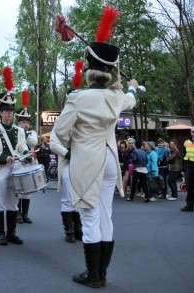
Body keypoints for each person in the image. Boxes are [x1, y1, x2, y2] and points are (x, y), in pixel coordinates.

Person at [53, 10, 140, 285]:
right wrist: (135, 87)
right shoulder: (117, 98)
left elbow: (60, 133)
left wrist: (70, 148)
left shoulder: (77, 98)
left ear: (89, 71)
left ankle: (93, 276)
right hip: (110, 162)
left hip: (87, 163)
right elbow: (131, 99)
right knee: (106, 217)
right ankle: (101, 273)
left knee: (90, 218)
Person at [0, 66, 29, 246]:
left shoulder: (19, 131)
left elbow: (21, 146)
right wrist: (4, 157)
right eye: (6, 110)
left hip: (14, 170)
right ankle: (0, 233)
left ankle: (11, 233)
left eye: (11, 110)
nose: (9, 113)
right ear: (0, 112)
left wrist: (26, 153)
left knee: (12, 202)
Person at [50, 129, 82, 243]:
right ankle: (69, 231)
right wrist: (67, 153)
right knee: (68, 199)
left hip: (82, 164)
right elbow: (53, 144)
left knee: (80, 198)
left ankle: (78, 230)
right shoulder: (61, 122)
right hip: (67, 163)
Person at [15, 89, 38, 224]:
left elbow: (33, 142)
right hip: (18, 163)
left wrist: (26, 132)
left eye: (27, 122)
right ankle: (17, 213)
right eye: (23, 122)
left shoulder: (31, 132)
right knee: (18, 189)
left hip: (29, 163)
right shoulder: (14, 132)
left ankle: (25, 214)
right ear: (18, 122)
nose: (26, 124)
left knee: (28, 190)